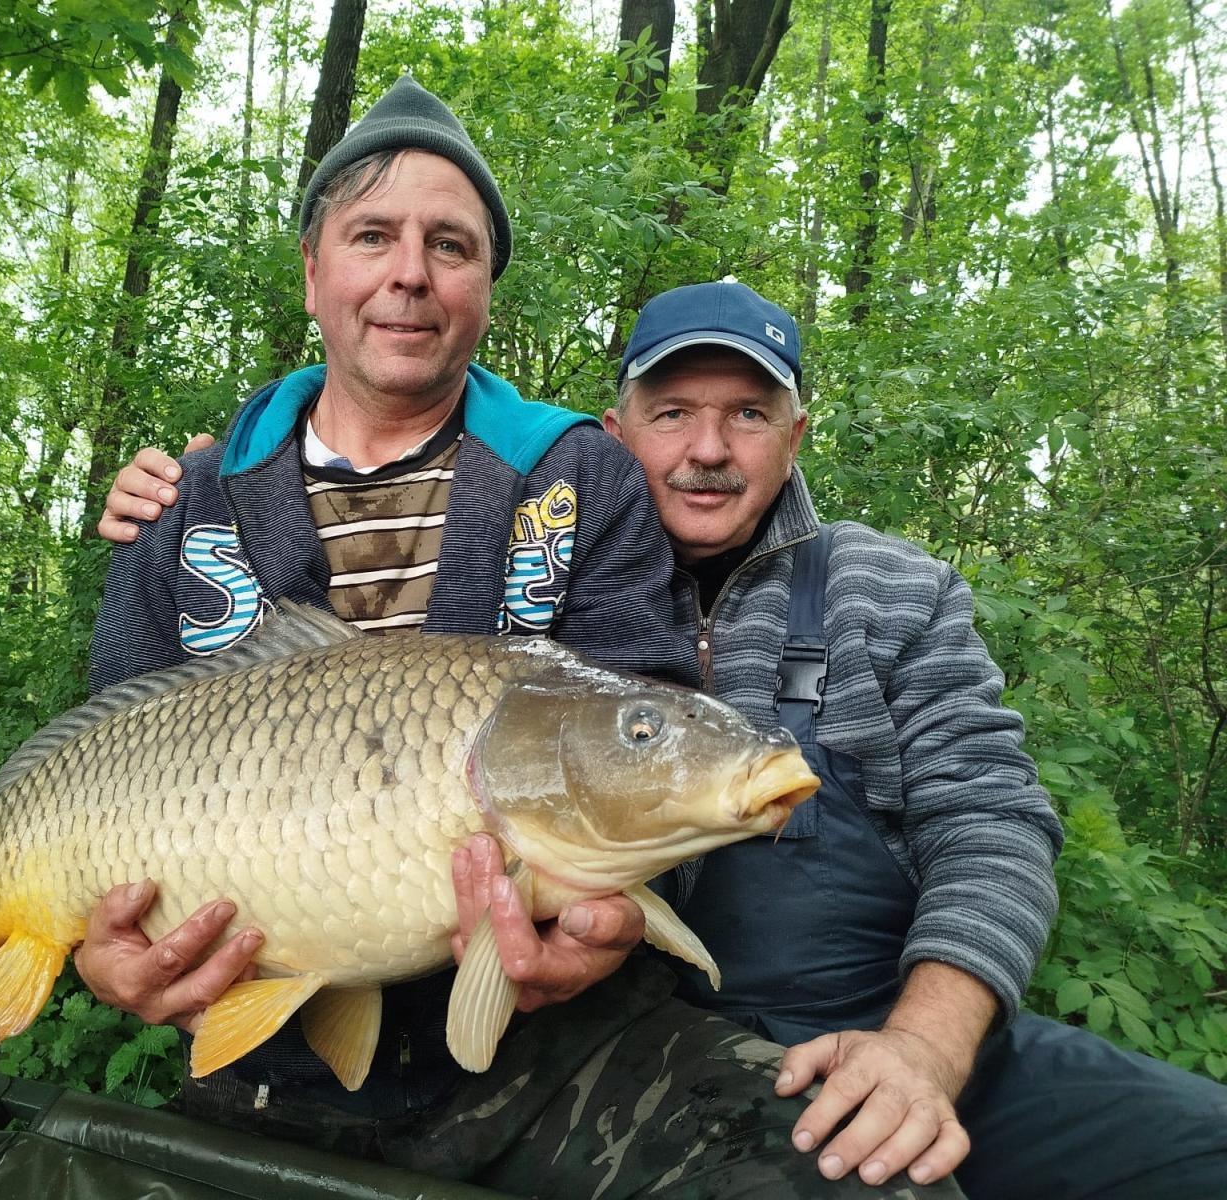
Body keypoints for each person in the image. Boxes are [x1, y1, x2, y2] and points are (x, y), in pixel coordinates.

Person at [102, 280, 1227, 1198]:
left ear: (795, 433)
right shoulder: (519, 590)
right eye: (672, 412)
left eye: (746, 414)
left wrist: (926, 1046)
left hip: (889, 1024)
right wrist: (195, 490)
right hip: (643, 1058)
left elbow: (991, 822)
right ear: (610, 432)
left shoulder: (890, 589)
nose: (706, 449)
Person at [82, 76, 931, 1198]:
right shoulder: (185, 503)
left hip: (568, 1054)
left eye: (452, 244)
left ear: (485, 285)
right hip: (267, 1066)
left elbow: (641, 736)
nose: (409, 274)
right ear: (312, 271)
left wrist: (608, 925)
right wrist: (102, 955)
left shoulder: (581, 476)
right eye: (372, 236)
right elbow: (107, 772)